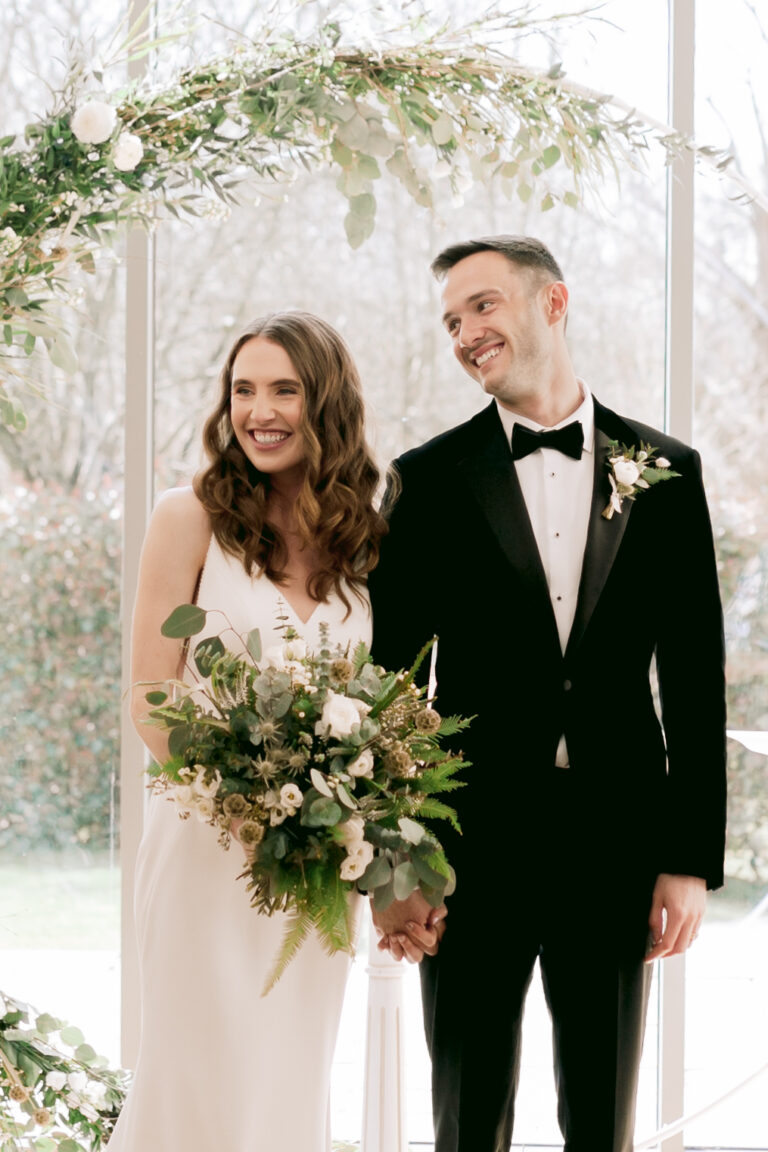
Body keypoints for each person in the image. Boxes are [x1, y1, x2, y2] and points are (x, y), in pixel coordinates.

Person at [368, 236, 727, 1152]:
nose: (465, 332)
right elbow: (388, 688)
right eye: (452, 320)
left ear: (552, 303)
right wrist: (395, 866)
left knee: (602, 1119)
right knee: (464, 1112)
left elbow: (694, 680)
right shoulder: (426, 480)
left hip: (616, 842)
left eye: (483, 306)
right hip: (467, 851)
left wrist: (688, 858)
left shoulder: (668, 474)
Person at [107, 311, 385, 1152]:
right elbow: (152, 690)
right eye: (243, 390)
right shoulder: (186, 516)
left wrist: (339, 810)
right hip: (205, 844)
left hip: (316, 869)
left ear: (326, 403)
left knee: (289, 1081)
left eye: (285, 390)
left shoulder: (367, 537)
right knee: (197, 1073)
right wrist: (246, 795)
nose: (259, 411)